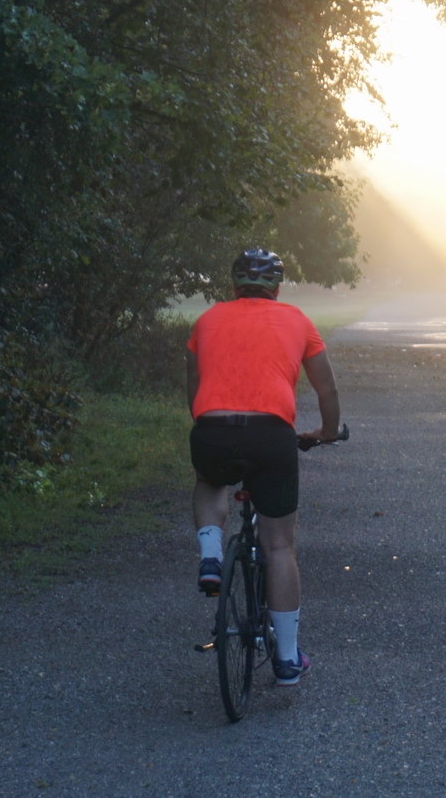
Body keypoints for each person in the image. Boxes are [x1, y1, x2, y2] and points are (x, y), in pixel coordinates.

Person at [185, 248, 342, 686]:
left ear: (234, 285)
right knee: (278, 547)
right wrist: (327, 432)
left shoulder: (207, 320)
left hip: (212, 429)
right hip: (272, 435)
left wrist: (208, 425)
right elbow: (327, 389)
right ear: (277, 287)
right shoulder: (298, 321)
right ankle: (287, 659)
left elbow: (194, 384)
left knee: (210, 480)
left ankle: (211, 556)